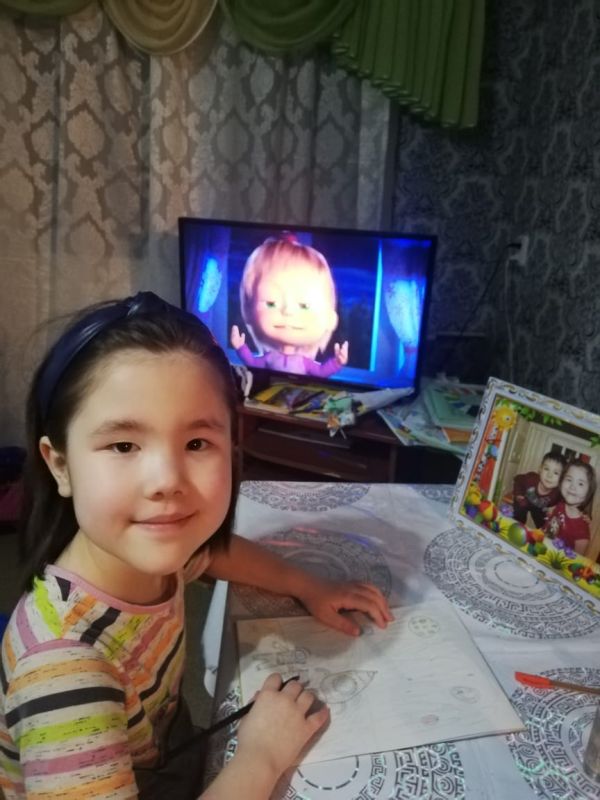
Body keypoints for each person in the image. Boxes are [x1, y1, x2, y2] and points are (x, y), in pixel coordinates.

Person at [0, 292, 393, 800]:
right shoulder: (64, 676)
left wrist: (306, 584)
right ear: (60, 466)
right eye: (123, 445)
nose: (167, 480)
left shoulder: (146, 554)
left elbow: (216, 554)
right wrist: (261, 755)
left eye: (196, 444)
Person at [230, 234, 349, 377]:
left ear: (330, 318)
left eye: (304, 305)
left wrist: (337, 363)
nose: (288, 311)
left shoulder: (304, 363)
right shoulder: (270, 358)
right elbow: (253, 363)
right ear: (249, 311)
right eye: (271, 303)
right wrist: (240, 347)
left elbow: (321, 372)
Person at [543, 459, 596, 555]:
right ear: (561, 482)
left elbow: (576, 561)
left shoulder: (582, 533)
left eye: (580, 483)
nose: (572, 486)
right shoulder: (559, 506)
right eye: (569, 480)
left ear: (589, 491)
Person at [511, 451, 566, 528]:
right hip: (524, 499)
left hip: (539, 507)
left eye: (556, 473)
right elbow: (518, 479)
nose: (549, 475)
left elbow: (563, 502)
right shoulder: (530, 479)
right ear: (540, 469)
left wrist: (554, 508)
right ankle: (517, 526)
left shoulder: (557, 493)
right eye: (546, 469)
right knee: (519, 511)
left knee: (543, 522)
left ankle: (541, 531)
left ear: (562, 478)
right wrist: (518, 494)